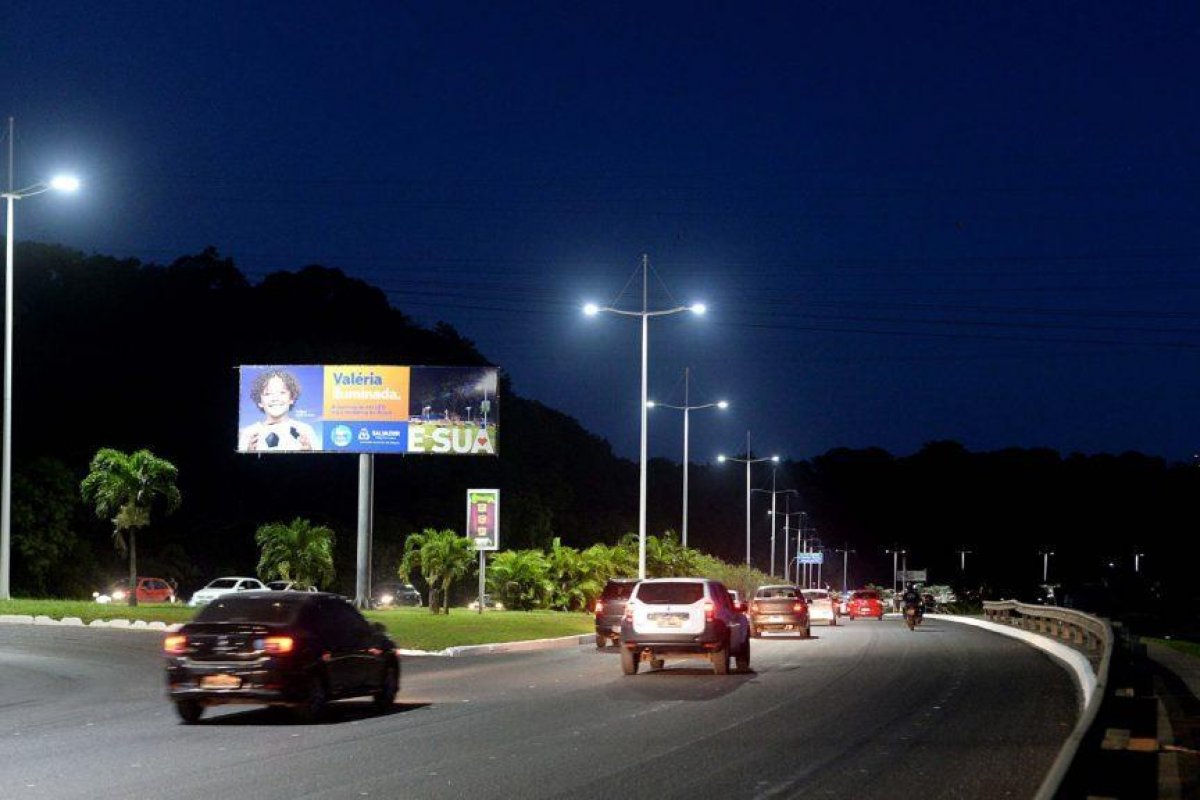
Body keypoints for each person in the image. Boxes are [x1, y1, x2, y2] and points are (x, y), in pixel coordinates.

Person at [238, 369, 321, 452]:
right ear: (260, 402)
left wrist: (310, 451)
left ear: (291, 398)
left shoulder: (305, 430)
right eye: (268, 394)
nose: (275, 398)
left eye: (282, 392)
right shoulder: (249, 433)